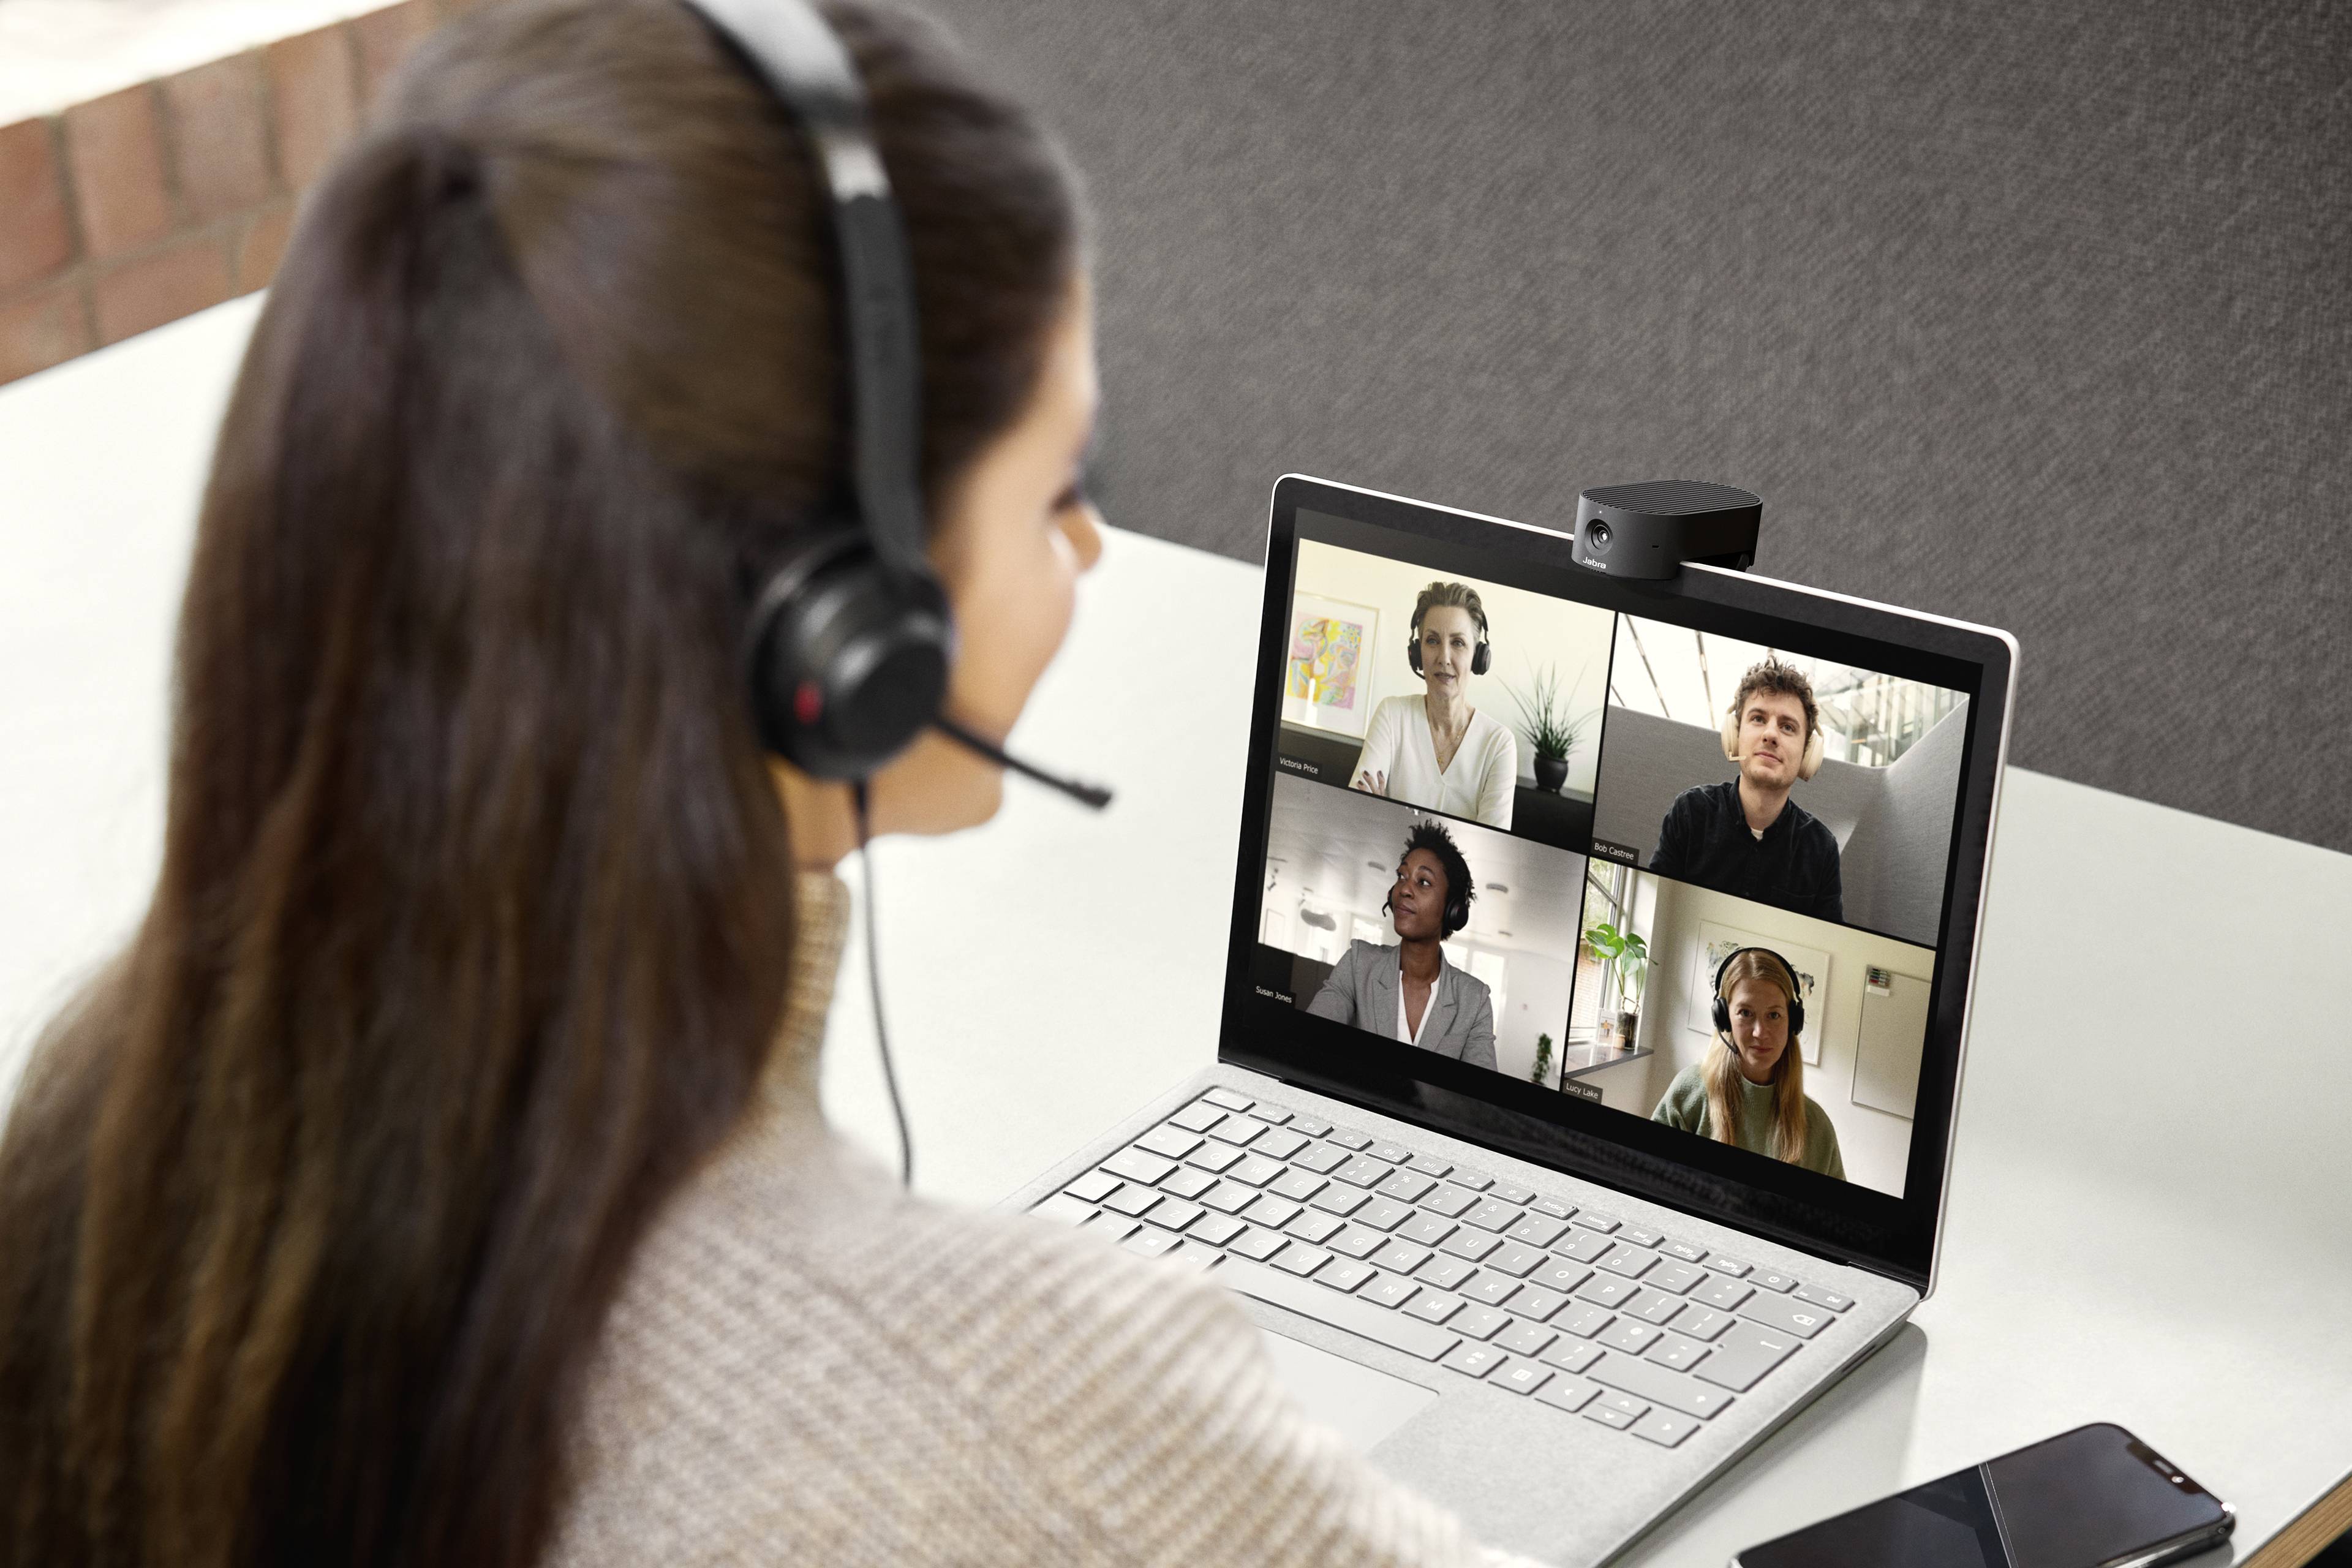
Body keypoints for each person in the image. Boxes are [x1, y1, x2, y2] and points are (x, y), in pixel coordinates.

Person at [0, 2, 1544, 1565]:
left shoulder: (99, 1140)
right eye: (1056, 485)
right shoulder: (1023, 1395)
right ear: (844, 627)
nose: (1085, 547)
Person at [1648, 655, 1844, 922]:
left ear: (1808, 753)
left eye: (1787, 727)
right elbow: (1657, 911)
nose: (1771, 735)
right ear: (1735, 735)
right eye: (1758, 719)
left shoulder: (1821, 849)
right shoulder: (1691, 813)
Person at [1305, 822, 1498, 1070]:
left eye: (1424, 882)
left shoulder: (1474, 1000)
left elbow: (1479, 1099)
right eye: (1402, 876)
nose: (1405, 888)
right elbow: (1309, 1042)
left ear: (1453, 910)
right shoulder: (1359, 964)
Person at [1651, 948, 1845, 1179]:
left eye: (1774, 1015)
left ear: (1792, 1021)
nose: (1760, 1032)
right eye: (1745, 1013)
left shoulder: (1818, 1127)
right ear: (1724, 1018)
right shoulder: (1689, 1093)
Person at [1349, 581, 1517, 828]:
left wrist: (1387, 816)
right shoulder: (1392, 716)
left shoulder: (1499, 744)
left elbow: (1492, 843)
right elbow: (1356, 812)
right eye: (1432, 641)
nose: (1444, 658)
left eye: (1458, 643)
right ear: (1416, 652)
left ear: (1478, 657)